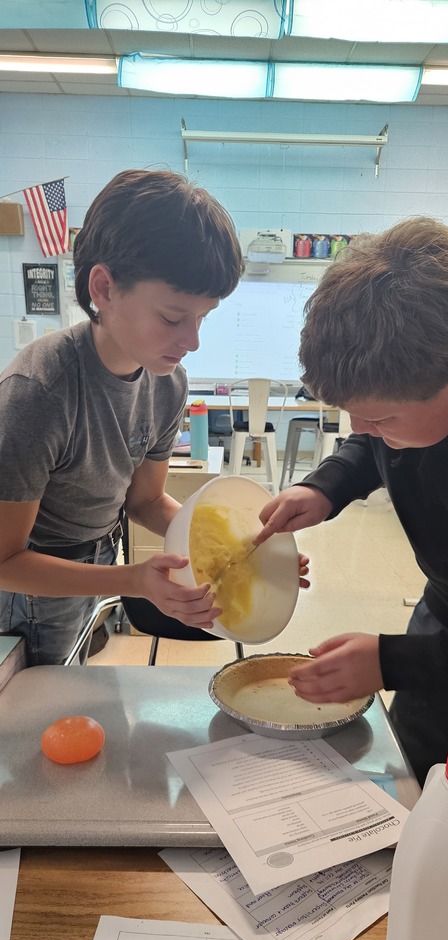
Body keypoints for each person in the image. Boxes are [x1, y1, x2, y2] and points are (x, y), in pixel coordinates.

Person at [256, 217, 448, 786]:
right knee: (416, 768)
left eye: (379, 417)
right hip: (444, 616)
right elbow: (367, 445)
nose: (362, 428)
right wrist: (324, 487)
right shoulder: (416, 396)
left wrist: (392, 662)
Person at [0, 168, 244, 666]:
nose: (192, 340)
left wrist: (243, 554)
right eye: (173, 318)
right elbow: (4, 562)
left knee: (77, 689)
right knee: (37, 717)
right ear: (105, 288)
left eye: (204, 318)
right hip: (30, 585)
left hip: (99, 559)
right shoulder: (40, 392)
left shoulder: (167, 383)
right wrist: (131, 580)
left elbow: (147, 499)